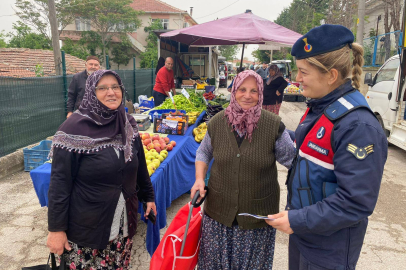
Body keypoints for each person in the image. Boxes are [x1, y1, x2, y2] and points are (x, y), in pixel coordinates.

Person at [265, 24, 388, 270]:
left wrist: (297, 220)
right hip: (306, 235)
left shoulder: (358, 126)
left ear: (331, 75)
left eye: (303, 72)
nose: (297, 79)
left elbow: (355, 202)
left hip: (328, 249)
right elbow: (309, 150)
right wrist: (273, 132)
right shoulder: (321, 107)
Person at [47, 69, 156, 270]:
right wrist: (56, 229)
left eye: (115, 87)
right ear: (91, 92)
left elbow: (138, 164)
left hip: (123, 226)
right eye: (103, 88)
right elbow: (59, 184)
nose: (111, 92)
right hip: (87, 231)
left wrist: (148, 196)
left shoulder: (127, 122)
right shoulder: (72, 129)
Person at [191, 70, 296, 269]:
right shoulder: (217, 122)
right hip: (218, 216)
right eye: (242, 89)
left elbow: (294, 163)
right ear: (234, 91)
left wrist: (297, 205)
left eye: (254, 91)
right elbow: (203, 153)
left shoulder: (273, 126)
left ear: (261, 94)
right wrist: (199, 179)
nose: (247, 96)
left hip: (256, 219)